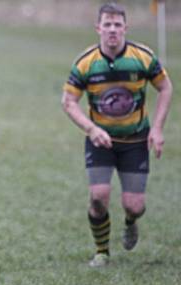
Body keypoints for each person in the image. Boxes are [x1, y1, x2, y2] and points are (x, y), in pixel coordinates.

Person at [61, 2, 173, 267]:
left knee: (134, 205)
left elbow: (166, 88)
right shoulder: (86, 63)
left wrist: (157, 128)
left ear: (125, 28)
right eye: (107, 24)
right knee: (98, 198)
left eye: (117, 24)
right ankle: (102, 251)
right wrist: (91, 128)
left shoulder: (142, 57)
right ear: (98, 28)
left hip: (135, 141)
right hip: (100, 140)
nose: (112, 29)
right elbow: (68, 101)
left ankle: (131, 222)